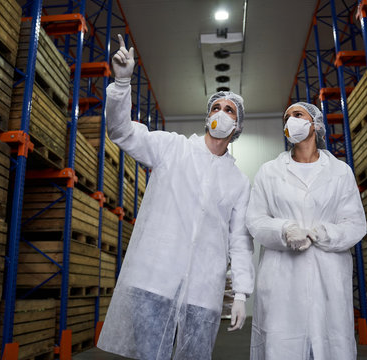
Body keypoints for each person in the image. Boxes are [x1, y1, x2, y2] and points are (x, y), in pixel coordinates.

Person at [97, 34, 255, 360]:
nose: (221, 113)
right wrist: (122, 84)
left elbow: (239, 241)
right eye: (216, 107)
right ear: (207, 115)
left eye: (229, 110)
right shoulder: (173, 148)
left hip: (202, 291)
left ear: (237, 125)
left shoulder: (238, 182)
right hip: (154, 279)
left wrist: (240, 292)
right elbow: (122, 132)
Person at [246, 102, 367, 360]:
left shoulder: (339, 172)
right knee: (282, 347)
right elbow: (255, 220)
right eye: (287, 117)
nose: (291, 121)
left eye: (297, 115)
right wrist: (285, 230)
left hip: (328, 277)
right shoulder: (269, 172)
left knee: (330, 345)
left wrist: (321, 234)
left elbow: (355, 224)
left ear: (315, 124)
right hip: (282, 281)